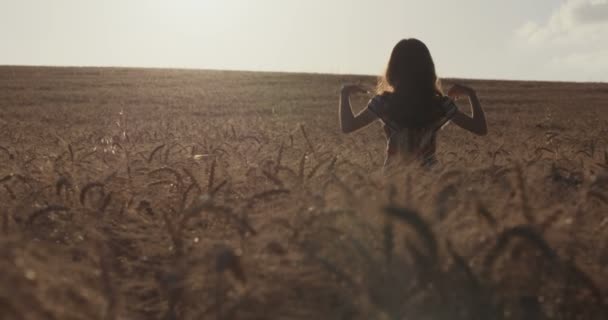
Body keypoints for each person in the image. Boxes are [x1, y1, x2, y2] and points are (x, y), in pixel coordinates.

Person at [339, 38, 487, 169]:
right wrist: (471, 94)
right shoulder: (440, 105)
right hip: (431, 183)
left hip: (393, 181)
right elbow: (480, 128)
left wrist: (344, 94)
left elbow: (348, 126)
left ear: (393, 70)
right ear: (428, 70)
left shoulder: (383, 103)